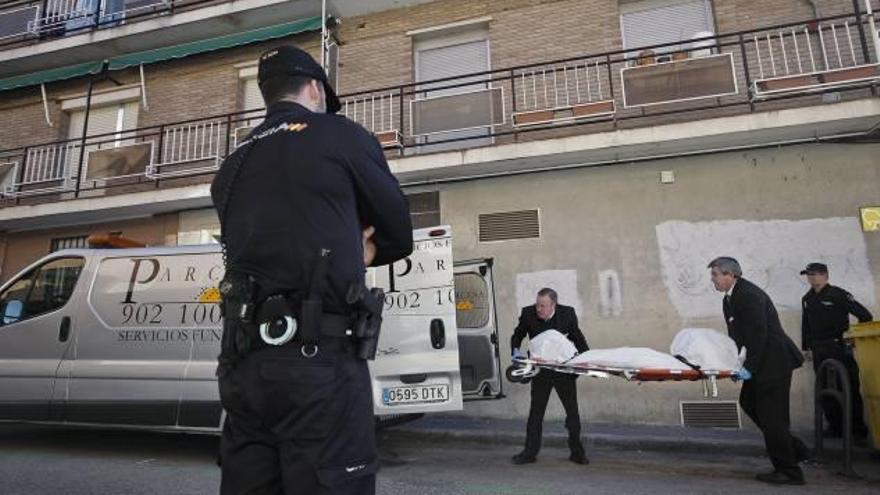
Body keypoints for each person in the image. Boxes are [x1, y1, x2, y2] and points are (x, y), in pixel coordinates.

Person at [210, 45, 413, 495]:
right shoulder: (338, 135)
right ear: (316, 89)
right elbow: (399, 231)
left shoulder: (232, 163)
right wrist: (358, 250)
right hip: (317, 363)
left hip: (243, 366)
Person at [707, 257, 809, 485]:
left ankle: (789, 471)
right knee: (750, 403)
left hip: (773, 362)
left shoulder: (748, 295)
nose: (712, 279)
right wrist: (736, 364)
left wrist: (748, 368)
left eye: (714, 274)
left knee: (773, 418)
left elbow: (758, 335)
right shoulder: (730, 298)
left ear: (730, 275)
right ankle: (795, 450)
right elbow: (739, 336)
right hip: (760, 361)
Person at [510, 288, 589, 465]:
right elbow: (518, 334)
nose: (538, 309)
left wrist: (586, 360)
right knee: (535, 414)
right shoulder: (528, 313)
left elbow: (578, 338)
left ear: (553, 305)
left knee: (572, 414)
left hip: (563, 372)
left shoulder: (567, 314)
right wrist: (515, 351)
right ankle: (529, 454)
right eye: (537, 304)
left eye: (543, 306)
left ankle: (577, 453)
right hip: (540, 372)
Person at [800, 262, 873, 440]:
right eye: (809, 275)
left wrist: (853, 337)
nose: (811, 278)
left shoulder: (838, 294)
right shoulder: (808, 298)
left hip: (838, 347)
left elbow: (865, 315)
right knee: (825, 387)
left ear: (825, 276)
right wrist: (806, 348)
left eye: (815, 274)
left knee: (848, 386)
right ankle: (835, 427)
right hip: (819, 348)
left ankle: (857, 430)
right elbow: (806, 326)